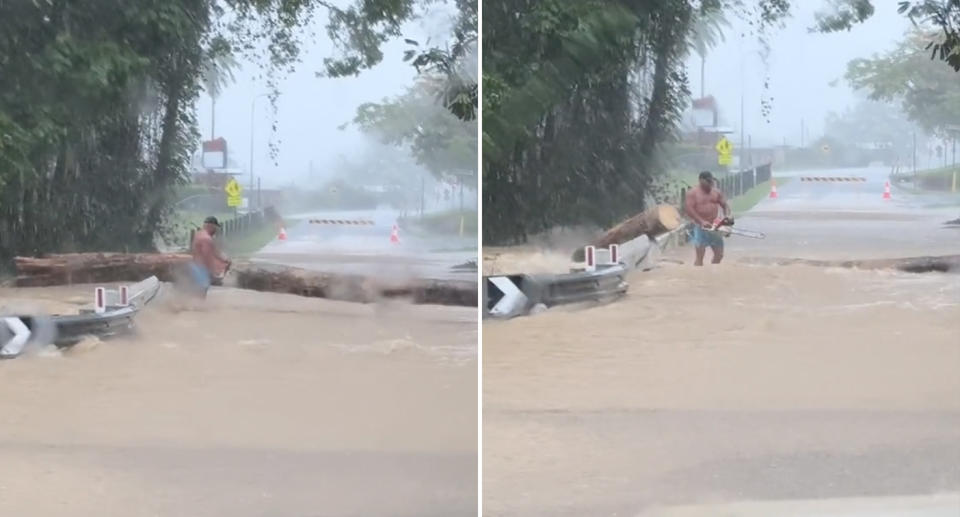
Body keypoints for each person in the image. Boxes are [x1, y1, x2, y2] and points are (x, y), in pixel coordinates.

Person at [684, 171, 733, 266]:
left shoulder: (716, 192)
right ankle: (698, 275)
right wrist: (701, 221)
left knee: (719, 255)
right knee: (700, 257)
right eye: (708, 182)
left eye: (712, 182)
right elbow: (689, 209)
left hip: (715, 226)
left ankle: (712, 273)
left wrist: (727, 220)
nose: (711, 184)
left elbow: (725, 206)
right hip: (700, 227)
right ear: (701, 180)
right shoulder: (692, 193)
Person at [185, 216, 231, 298]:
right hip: (201, 268)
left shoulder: (199, 235)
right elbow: (207, 256)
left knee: (196, 291)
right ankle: (197, 308)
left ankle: (192, 306)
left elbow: (213, 252)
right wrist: (214, 271)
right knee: (201, 292)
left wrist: (224, 259)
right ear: (211, 226)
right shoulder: (207, 239)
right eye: (215, 228)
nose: (216, 230)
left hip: (194, 266)